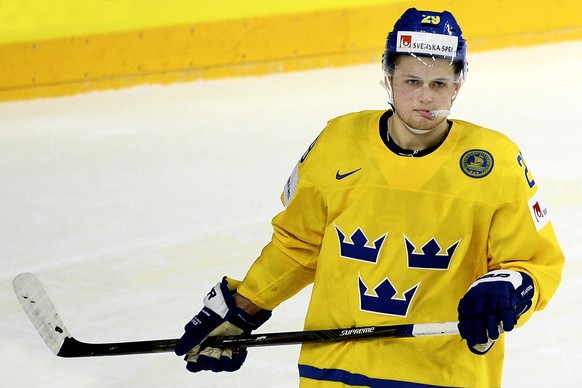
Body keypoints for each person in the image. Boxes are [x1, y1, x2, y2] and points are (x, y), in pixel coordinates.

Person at [174, 8, 564, 387]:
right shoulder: (338, 141)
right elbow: (299, 245)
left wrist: (508, 287)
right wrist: (246, 306)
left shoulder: (494, 162)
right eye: (412, 81)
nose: (426, 97)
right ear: (389, 77)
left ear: (458, 85)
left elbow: (536, 263)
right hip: (334, 369)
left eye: (439, 84)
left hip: (440, 374)